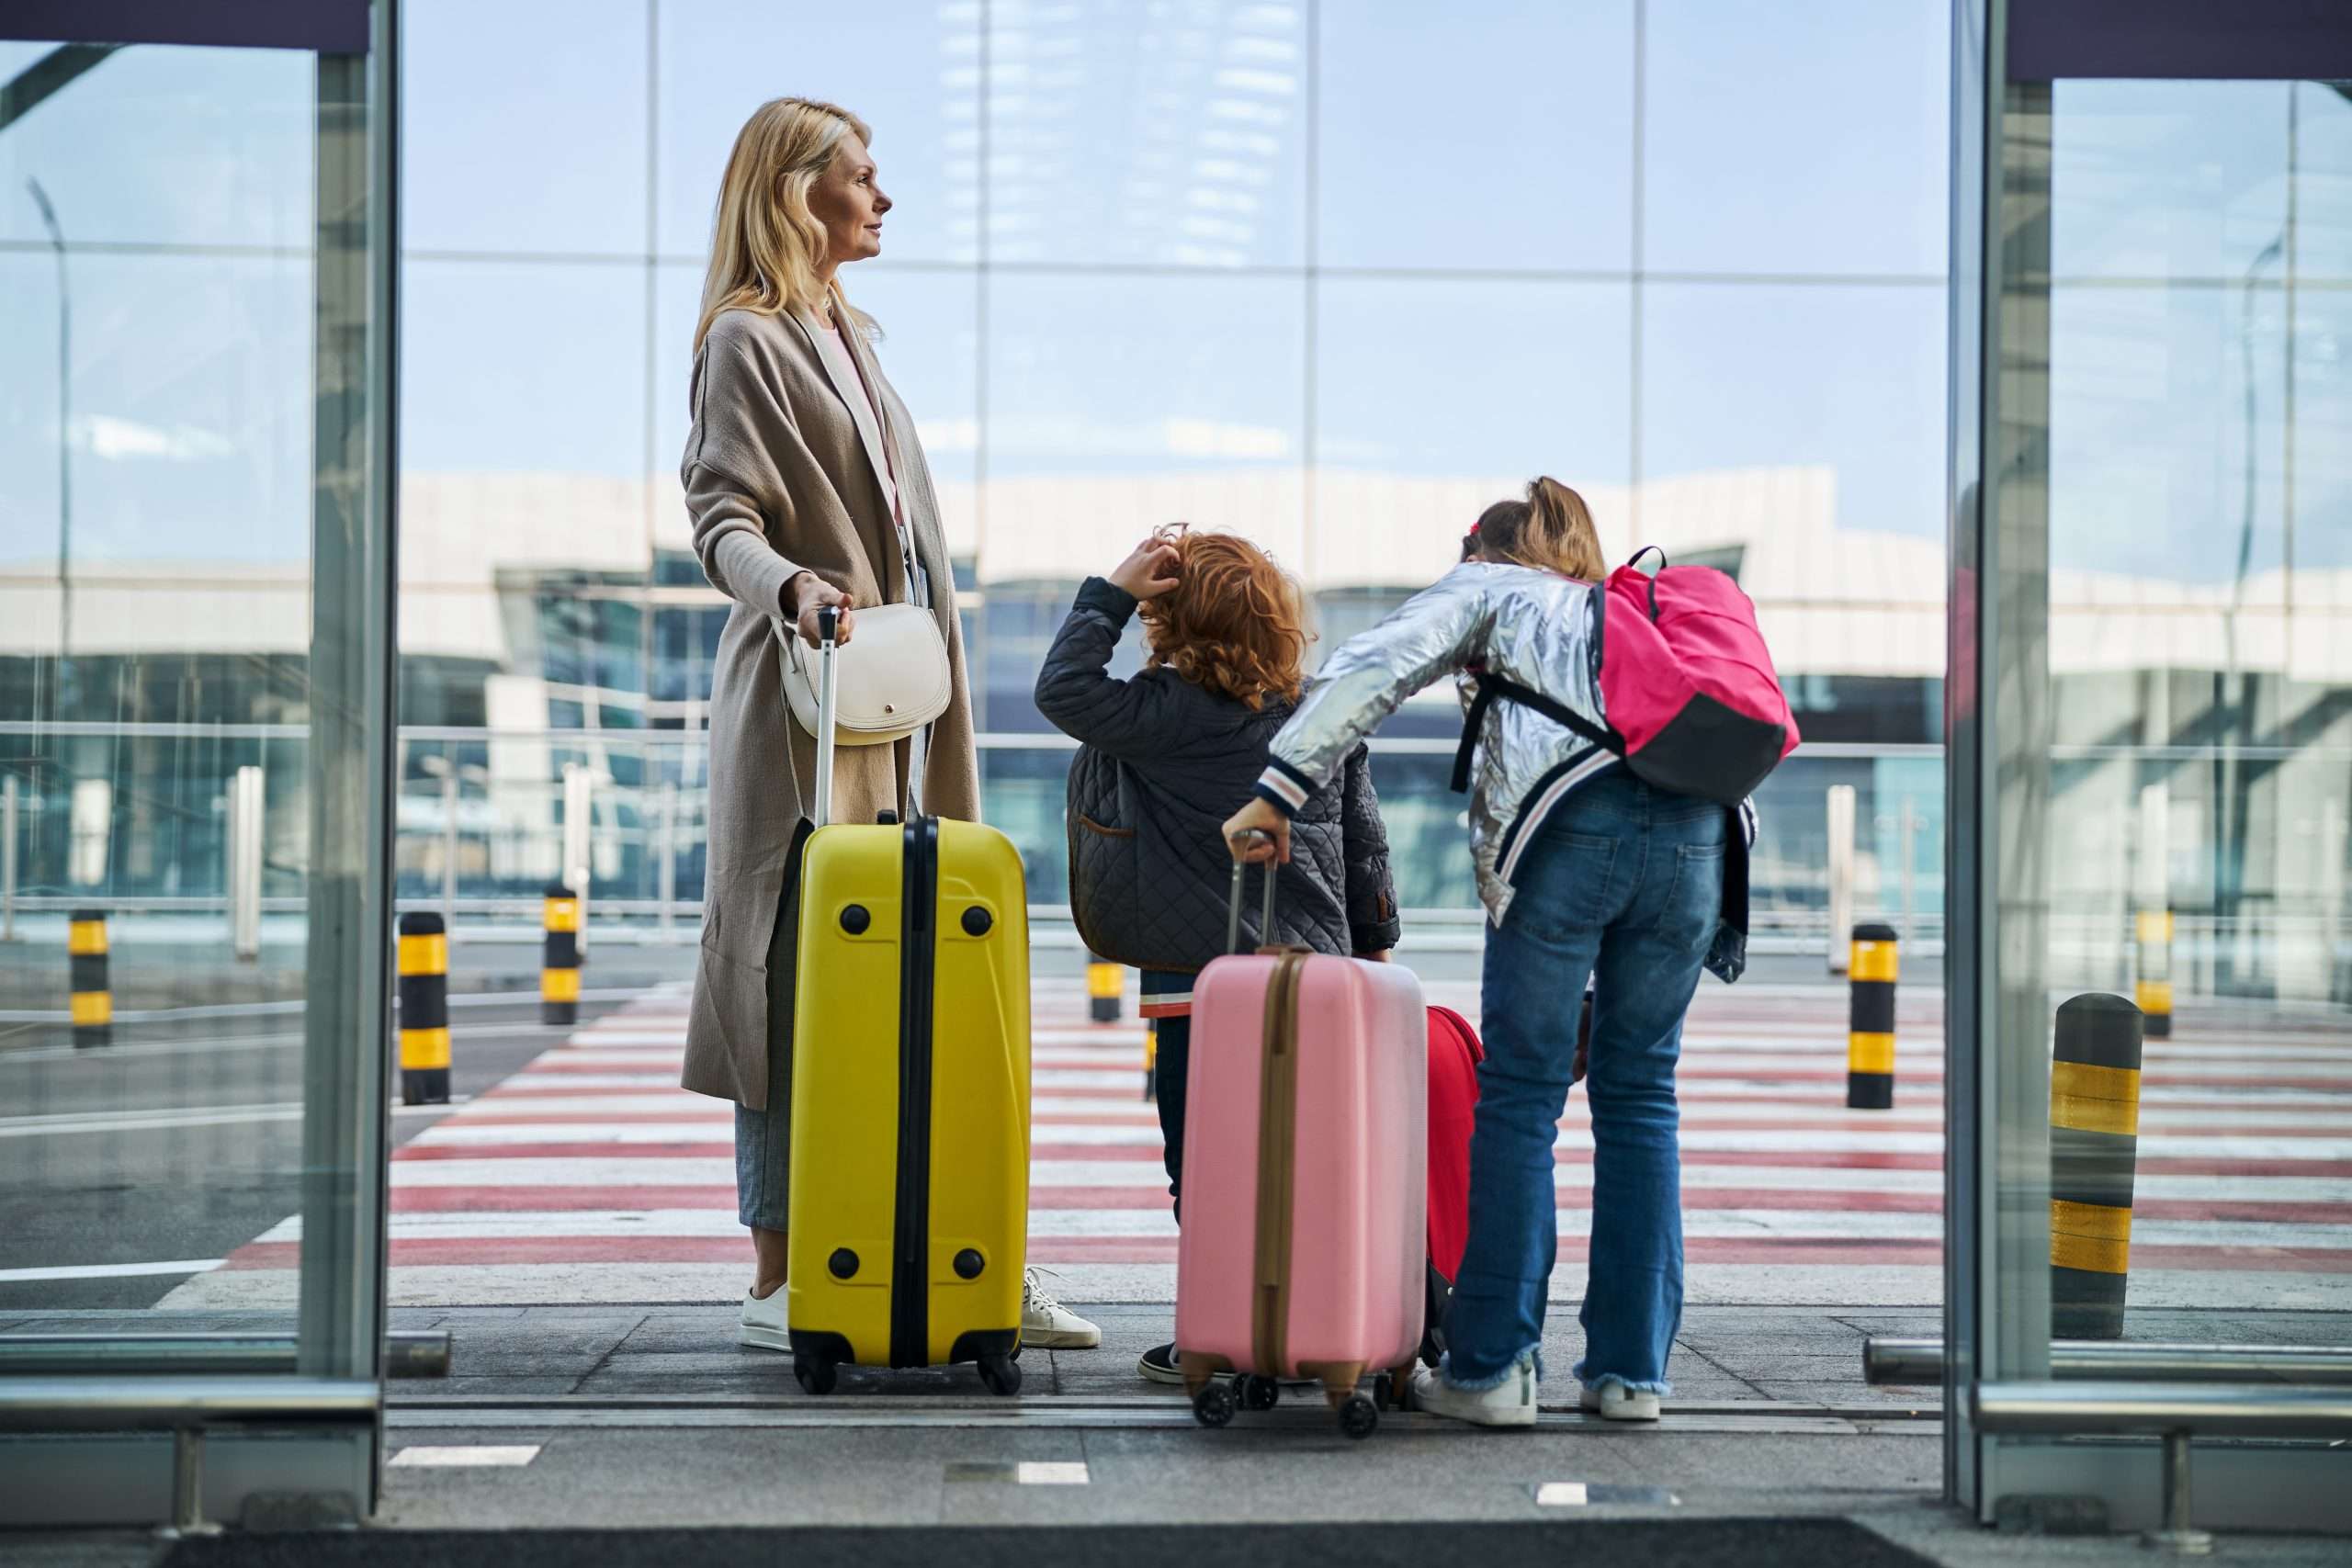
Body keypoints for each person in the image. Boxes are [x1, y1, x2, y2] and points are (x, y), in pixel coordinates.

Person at [679, 96, 1098, 1354]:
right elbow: (721, 517)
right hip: (806, 703)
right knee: (787, 974)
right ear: (794, 189)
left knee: (921, 971)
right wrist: (791, 587)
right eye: (861, 174)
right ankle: (779, 1273)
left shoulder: (851, 336)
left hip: (898, 698)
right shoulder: (747, 338)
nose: (884, 194)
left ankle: (954, 1249)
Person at [1223, 477, 1754, 1427]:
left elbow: (1374, 665)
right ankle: (1631, 1377)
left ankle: (1493, 1370)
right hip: (1702, 839)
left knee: (1521, 1095)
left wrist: (1278, 789)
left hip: (1569, 831)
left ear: (1483, 548)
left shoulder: (1494, 586)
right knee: (1641, 1094)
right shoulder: (1637, 611)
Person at [1036, 527, 1401, 1385]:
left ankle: (1229, 1328)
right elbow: (1365, 846)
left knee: (1204, 1164)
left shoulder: (1164, 713)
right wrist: (1376, 957)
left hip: (1197, 992)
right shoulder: (1321, 712)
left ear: (1173, 623)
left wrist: (1111, 594)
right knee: (1313, 1157)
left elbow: (1063, 688)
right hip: (1316, 986)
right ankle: (1319, 1322)